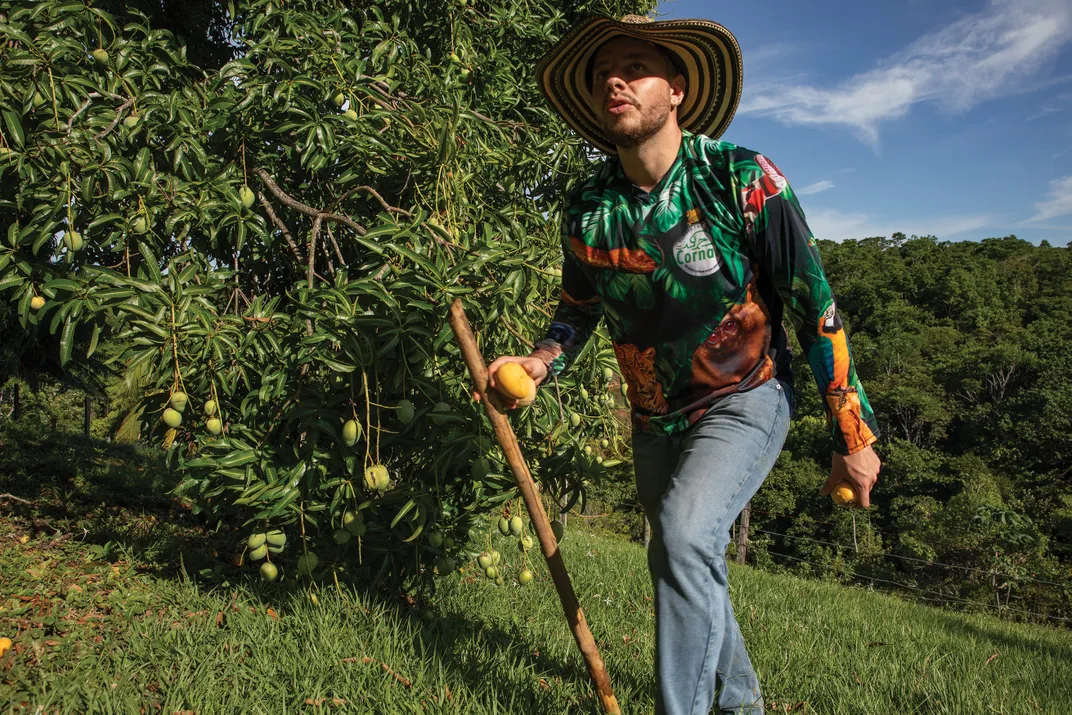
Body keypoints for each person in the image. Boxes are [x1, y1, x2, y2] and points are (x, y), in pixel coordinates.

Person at [479, 14, 881, 715]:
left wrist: (852, 434)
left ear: (679, 91)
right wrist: (541, 360)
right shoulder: (589, 208)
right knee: (680, 553)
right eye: (607, 70)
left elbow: (814, 301)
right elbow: (577, 309)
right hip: (654, 418)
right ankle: (742, 704)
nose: (616, 79)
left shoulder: (742, 179)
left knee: (685, 534)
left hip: (747, 397)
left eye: (635, 67)